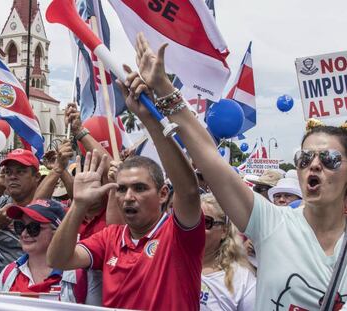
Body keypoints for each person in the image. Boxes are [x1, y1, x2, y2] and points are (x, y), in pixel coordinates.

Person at [132, 32, 347, 309]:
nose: (314, 164)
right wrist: (164, 89)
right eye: (304, 157)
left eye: (329, 158)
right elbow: (210, 157)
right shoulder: (272, 223)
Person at [47, 67, 204, 310]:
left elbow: (189, 191)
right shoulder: (111, 237)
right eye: (121, 189)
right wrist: (78, 205)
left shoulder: (178, 235)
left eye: (140, 188)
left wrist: (151, 119)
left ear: (163, 194)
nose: (128, 197)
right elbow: (58, 258)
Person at [0, 149, 41, 264]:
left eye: (20, 172)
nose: (12, 177)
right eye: (8, 172)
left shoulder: (48, 210)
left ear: (36, 177)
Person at [200, 194, 256, 310]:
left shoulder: (242, 279)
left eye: (206, 222)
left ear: (224, 231)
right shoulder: (169, 262)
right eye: (192, 220)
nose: (196, 227)